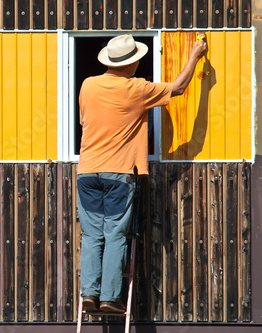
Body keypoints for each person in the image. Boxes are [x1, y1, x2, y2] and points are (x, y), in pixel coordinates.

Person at [78, 34, 207, 313]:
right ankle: (109, 297)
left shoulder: (87, 85)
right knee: (114, 235)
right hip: (118, 173)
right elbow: (179, 87)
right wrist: (195, 55)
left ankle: (88, 293)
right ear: (131, 64)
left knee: (91, 236)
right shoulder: (137, 88)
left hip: (86, 172)